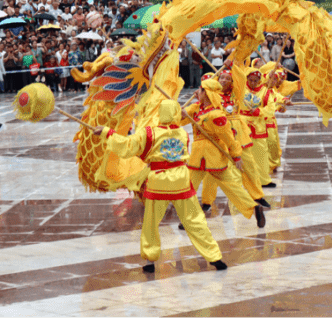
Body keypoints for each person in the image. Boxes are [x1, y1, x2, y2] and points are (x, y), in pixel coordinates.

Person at [98, 100, 228, 273]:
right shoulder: (183, 133)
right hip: (180, 180)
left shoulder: (149, 133)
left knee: (151, 223)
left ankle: (150, 260)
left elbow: (128, 146)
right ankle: (215, 257)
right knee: (195, 220)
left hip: (158, 182)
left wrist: (107, 132)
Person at [182, 78, 265, 228]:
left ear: (206, 93)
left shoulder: (217, 115)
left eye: (200, 90)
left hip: (212, 156)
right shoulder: (197, 108)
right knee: (225, 187)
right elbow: (179, 118)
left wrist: (237, 155)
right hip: (198, 157)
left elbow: (229, 138)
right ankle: (253, 207)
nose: (197, 92)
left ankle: (253, 207)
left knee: (189, 187)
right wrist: (180, 111)